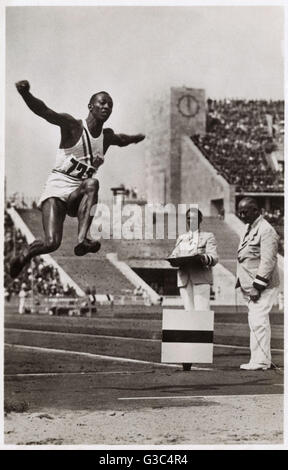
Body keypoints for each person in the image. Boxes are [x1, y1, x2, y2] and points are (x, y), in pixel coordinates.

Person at [10, 80, 145, 279]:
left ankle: (83, 239)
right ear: (90, 106)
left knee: (92, 183)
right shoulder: (73, 126)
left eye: (110, 105)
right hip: (58, 188)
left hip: (78, 194)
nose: (106, 106)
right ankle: (24, 255)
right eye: (102, 103)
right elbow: (45, 112)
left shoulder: (106, 137)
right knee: (51, 243)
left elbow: (122, 140)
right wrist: (25, 94)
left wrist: (137, 138)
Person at [169, 208, 218, 371]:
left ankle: (200, 351)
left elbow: (214, 257)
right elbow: (174, 254)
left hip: (200, 277)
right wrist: (173, 259)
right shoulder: (181, 238)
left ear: (200, 220)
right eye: (189, 218)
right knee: (188, 314)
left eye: (195, 218)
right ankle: (189, 354)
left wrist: (202, 258)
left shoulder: (208, 236)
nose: (192, 221)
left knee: (201, 313)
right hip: (184, 278)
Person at [236, 197, 280, 370]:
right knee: (256, 321)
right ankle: (260, 359)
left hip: (263, 285)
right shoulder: (249, 228)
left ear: (256, 210)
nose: (241, 215)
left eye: (245, 211)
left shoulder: (266, 230)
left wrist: (257, 286)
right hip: (251, 285)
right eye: (240, 211)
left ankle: (260, 361)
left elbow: (268, 261)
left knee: (258, 321)